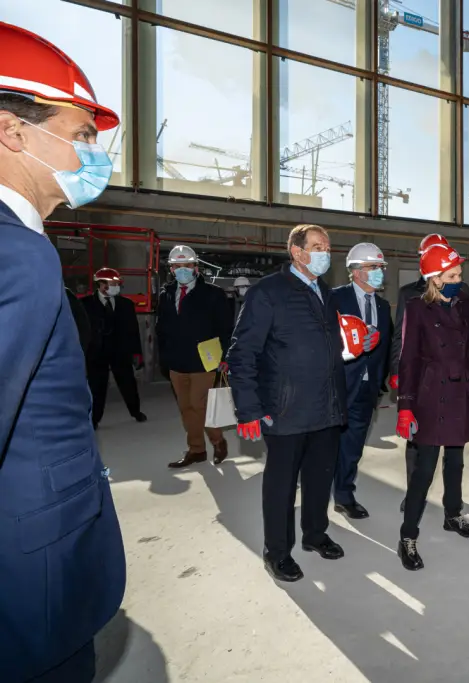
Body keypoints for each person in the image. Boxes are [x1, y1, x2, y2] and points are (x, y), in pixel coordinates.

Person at [0, 22, 126, 682]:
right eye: (80, 134)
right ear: (13, 132)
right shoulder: (17, 254)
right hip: (31, 588)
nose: (92, 153)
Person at [228, 224, 371, 582]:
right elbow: (242, 353)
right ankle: (277, 552)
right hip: (285, 411)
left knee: (320, 478)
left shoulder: (323, 290)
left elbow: (325, 345)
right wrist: (248, 409)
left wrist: (354, 348)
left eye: (327, 246)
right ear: (297, 252)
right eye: (318, 246)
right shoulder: (268, 293)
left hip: (327, 407)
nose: (325, 252)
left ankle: (315, 534)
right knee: (281, 485)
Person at [396, 244, 469, 570]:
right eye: (451, 276)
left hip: (461, 390)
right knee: (424, 470)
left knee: (456, 461)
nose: (458, 280)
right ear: (434, 279)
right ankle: (407, 536)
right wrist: (405, 407)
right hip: (430, 397)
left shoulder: (462, 302)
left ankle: (453, 515)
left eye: (459, 275)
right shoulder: (416, 308)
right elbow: (407, 360)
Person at [390, 233, 469, 512]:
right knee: (418, 445)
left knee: (455, 449)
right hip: (424, 381)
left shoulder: (461, 290)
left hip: (453, 382)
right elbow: (400, 339)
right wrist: (397, 371)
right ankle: (415, 493)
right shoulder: (409, 294)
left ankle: (454, 502)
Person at [155, 245, 233, 468]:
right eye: (177, 266)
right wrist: (164, 357)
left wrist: (226, 357)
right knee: (185, 407)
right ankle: (197, 450)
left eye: (186, 265)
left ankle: (218, 442)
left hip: (204, 361)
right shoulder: (166, 294)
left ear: (196, 267)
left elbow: (226, 328)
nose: (182, 270)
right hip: (176, 361)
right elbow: (161, 328)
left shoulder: (213, 294)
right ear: (171, 269)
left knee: (200, 405)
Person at [329, 242, 391, 519]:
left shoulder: (383, 305)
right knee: (325, 444)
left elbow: (387, 347)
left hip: (368, 387)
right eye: (372, 267)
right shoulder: (334, 299)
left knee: (353, 445)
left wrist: (382, 381)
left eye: (381, 267)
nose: (379, 272)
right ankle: (318, 491)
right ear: (355, 271)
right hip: (337, 384)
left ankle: (343, 494)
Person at [81, 267, 147, 428]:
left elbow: (133, 331)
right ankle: (94, 418)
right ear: (101, 284)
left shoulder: (126, 305)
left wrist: (137, 353)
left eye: (117, 283)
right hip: (96, 353)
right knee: (97, 386)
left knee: (128, 383)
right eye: (112, 283)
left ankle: (135, 411)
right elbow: (81, 330)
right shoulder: (85, 305)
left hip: (120, 351)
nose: (116, 286)